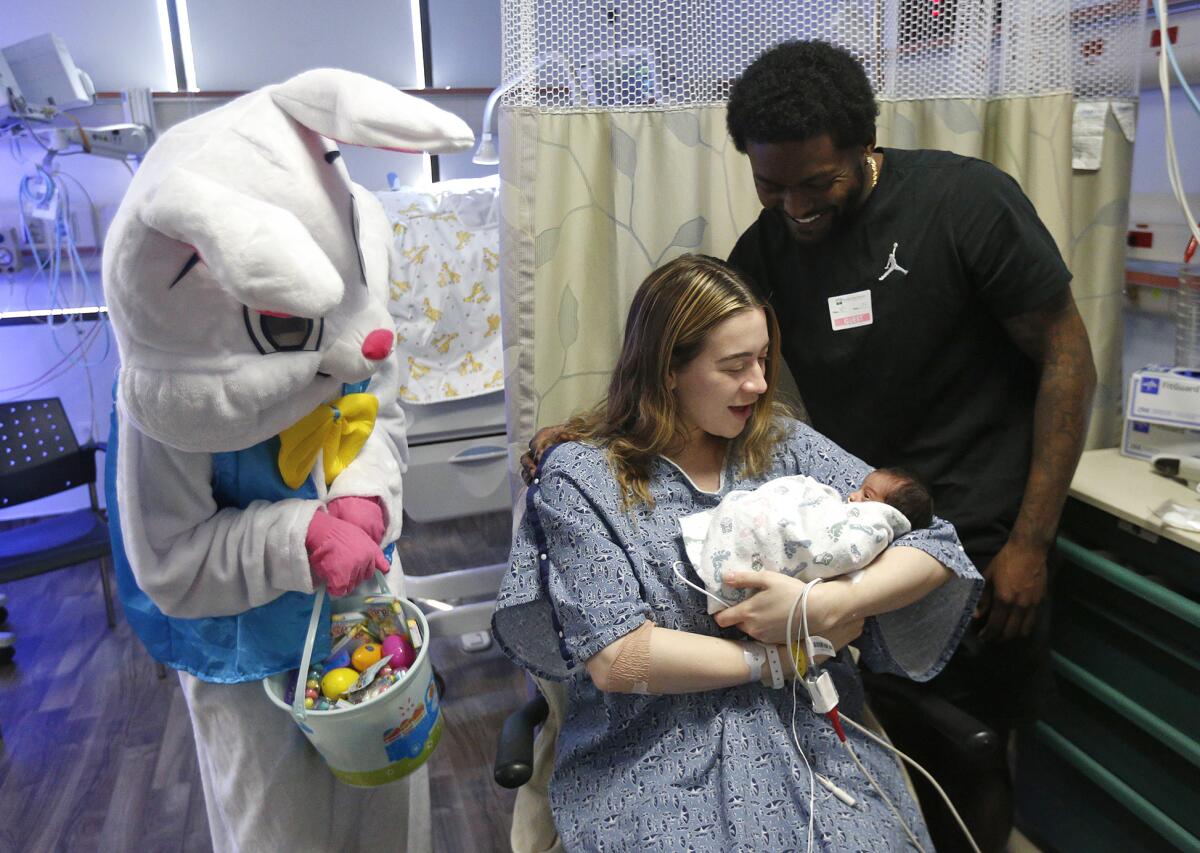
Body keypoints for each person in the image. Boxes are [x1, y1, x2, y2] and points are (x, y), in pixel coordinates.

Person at [721, 40, 1098, 851]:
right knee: (885, 746)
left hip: (987, 537)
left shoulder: (965, 204)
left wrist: (1031, 541)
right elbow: (691, 366)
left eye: (816, 183)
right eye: (770, 185)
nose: (793, 208)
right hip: (865, 537)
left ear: (864, 143)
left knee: (972, 747)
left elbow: (1068, 358)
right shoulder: (766, 251)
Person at [494, 255, 982, 852]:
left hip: (813, 736)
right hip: (654, 757)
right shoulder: (585, 479)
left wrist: (821, 604)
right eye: (733, 367)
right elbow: (616, 657)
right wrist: (776, 658)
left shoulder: (786, 446)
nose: (757, 383)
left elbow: (934, 544)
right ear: (666, 369)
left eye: (762, 360)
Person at [680, 468, 934, 613]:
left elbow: (838, 550)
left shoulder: (874, 529)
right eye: (859, 489)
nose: (853, 497)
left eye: (866, 495)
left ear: (890, 513)